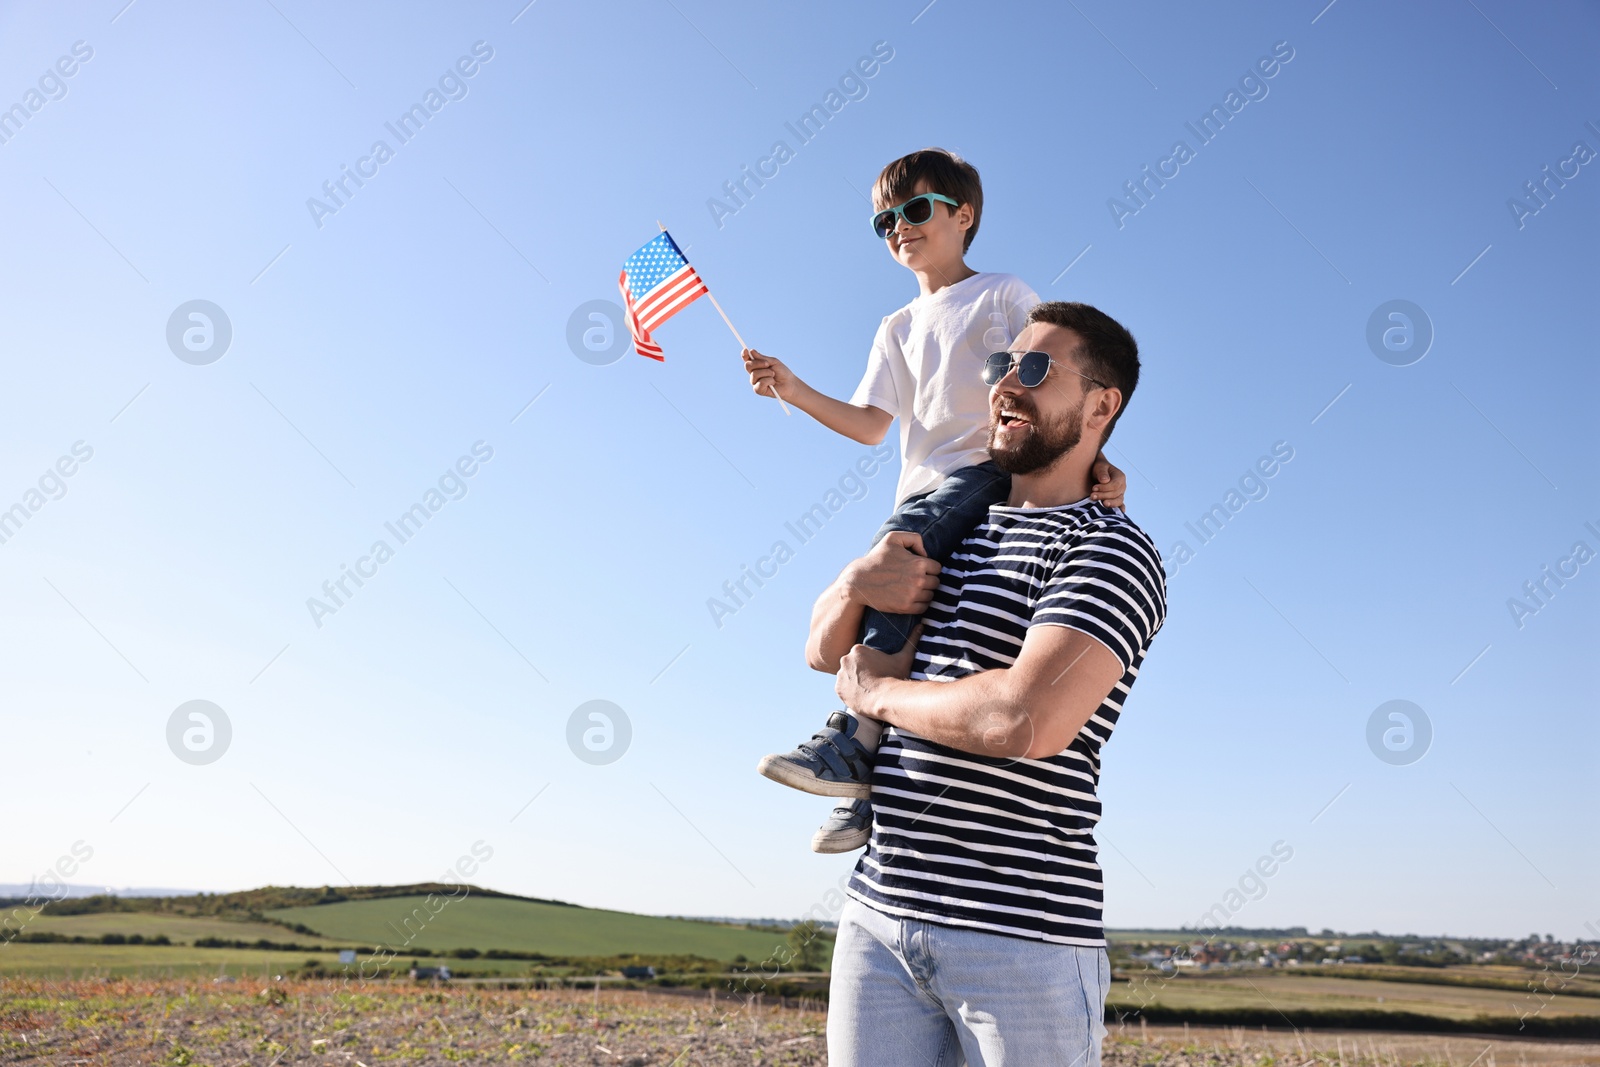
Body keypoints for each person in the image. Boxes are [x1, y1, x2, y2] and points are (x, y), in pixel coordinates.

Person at [810, 301, 1167, 1066]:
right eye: (1001, 367)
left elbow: (1024, 719)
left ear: (1102, 405)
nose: (1006, 383)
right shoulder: (950, 518)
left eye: (1034, 369)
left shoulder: (1109, 549)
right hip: (878, 916)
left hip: (1020, 939)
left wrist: (876, 698)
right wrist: (853, 581)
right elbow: (822, 649)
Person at [744, 148, 1125, 853]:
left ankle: (850, 734)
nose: (899, 227)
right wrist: (793, 388)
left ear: (964, 216)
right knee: (901, 600)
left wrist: (1097, 457)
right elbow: (869, 424)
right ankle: (869, 783)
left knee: (901, 566)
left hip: (983, 467)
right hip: (920, 484)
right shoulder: (895, 326)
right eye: (884, 219)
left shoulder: (1002, 294)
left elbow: (1049, 381)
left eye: (915, 210)